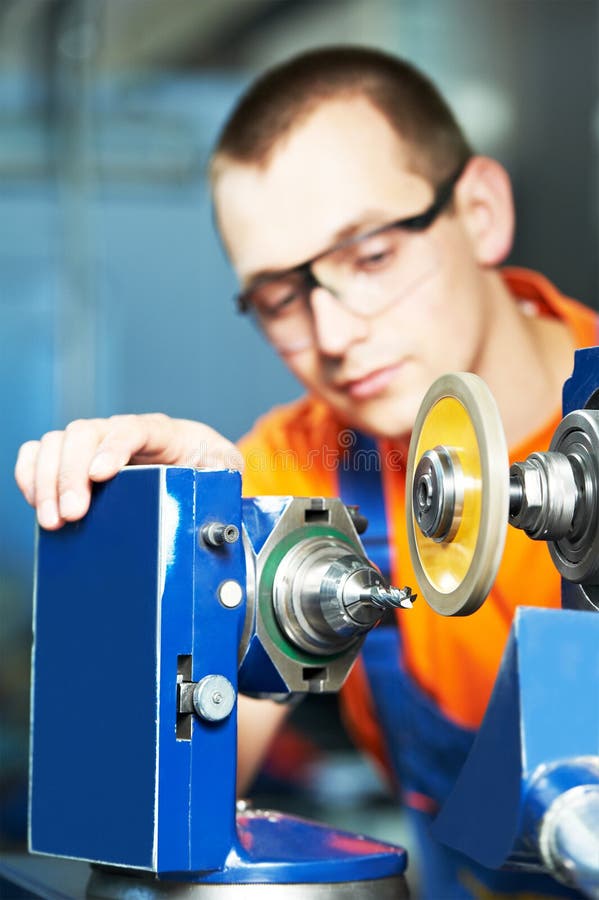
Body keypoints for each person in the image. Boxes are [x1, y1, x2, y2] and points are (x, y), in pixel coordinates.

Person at [14, 47, 596, 898]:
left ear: (477, 212)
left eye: (369, 256)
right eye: (281, 297)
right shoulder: (301, 466)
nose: (331, 333)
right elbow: (158, 801)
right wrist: (155, 557)